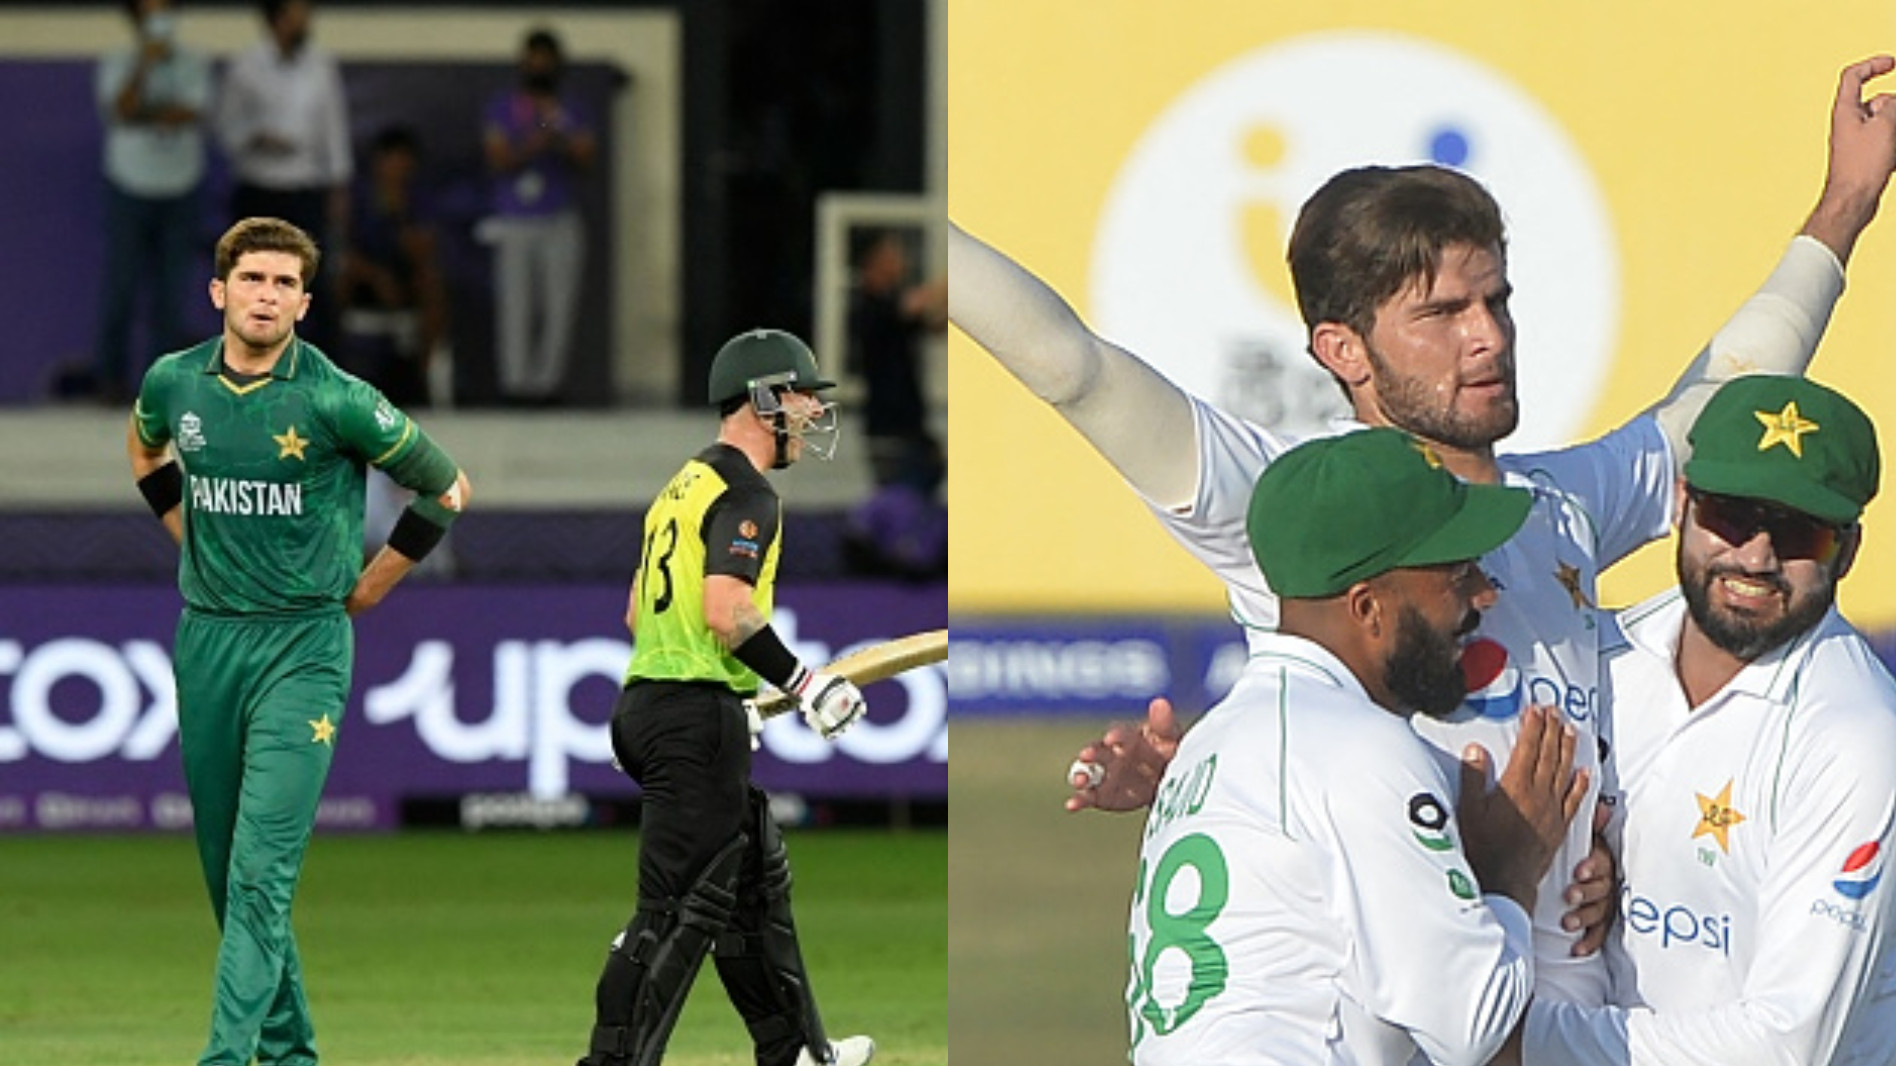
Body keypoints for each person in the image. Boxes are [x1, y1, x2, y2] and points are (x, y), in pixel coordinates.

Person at [951, 55, 1896, 1007]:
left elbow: (1711, 410)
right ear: (1341, 351)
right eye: (1442, 313)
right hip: (1407, 1018)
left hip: (1569, 1023)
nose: (1487, 336)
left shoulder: (1558, 503)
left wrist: (1845, 205)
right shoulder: (1292, 506)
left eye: (1496, 300)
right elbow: (1073, 368)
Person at [125, 216, 471, 1066]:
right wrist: (189, 537)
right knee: (225, 878)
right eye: (253, 280)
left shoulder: (337, 398)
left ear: (305, 304)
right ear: (219, 292)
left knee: (259, 878)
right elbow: (143, 450)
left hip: (302, 650)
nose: (266, 296)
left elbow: (448, 490)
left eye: (284, 284)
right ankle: (291, 1057)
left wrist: (366, 589)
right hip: (206, 641)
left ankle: (226, 1058)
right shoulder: (175, 383)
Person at [1131, 427, 1588, 1064]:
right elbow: (1474, 1025)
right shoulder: (1361, 747)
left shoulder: (1216, 736)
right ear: (1368, 607)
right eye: (1456, 573)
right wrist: (1512, 869)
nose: (1485, 594)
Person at [1517, 376, 1896, 1065]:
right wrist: (1583, 864)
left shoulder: (1858, 737)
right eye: (1731, 515)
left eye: (1798, 530)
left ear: (1849, 549)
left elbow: (1787, 1045)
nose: (1755, 556)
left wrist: (1518, 1042)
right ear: (1683, 503)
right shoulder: (1596, 655)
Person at [577, 329, 873, 1066]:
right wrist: (806, 687)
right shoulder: (747, 493)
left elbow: (636, 611)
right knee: (676, 913)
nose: (811, 412)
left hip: (662, 706)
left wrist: (720, 701)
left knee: (753, 885)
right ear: (766, 399)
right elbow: (727, 611)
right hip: (690, 716)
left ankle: (796, 1052)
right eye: (803, 397)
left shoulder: (682, 486)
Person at [214, 0, 351, 353]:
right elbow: (226, 128)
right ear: (277, 19)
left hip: (305, 189)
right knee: (250, 284)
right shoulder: (246, 66)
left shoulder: (321, 66)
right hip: (258, 188)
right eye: (297, 14)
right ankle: (245, 368)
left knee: (313, 285)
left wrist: (338, 185)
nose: (305, 21)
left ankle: (321, 377)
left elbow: (333, 129)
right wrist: (256, 137)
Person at [93, 0, 212, 405]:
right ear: (136, 19)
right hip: (130, 184)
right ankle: (109, 382)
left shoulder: (192, 62)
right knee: (121, 287)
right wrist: (144, 64)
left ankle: (162, 391)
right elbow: (123, 108)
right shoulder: (117, 61)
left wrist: (150, 112)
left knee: (170, 295)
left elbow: (192, 111)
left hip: (180, 186)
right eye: (150, 11)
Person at [480, 26, 596, 406]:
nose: (540, 69)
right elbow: (498, 156)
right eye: (534, 62)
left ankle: (548, 387)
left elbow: (585, 154)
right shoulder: (504, 106)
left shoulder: (570, 107)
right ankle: (516, 386)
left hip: (559, 216)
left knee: (558, 306)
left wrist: (556, 126)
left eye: (547, 63)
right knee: (516, 305)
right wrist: (537, 138)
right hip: (515, 217)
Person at [337, 124, 446, 411]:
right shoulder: (357, 198)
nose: (397, 167)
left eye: (404, 160)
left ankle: (422, 374)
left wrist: (399, 216)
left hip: (404, 277)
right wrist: (377, 277)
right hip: (367, 275)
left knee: (431, 283)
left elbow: (423, 251)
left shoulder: (417, 199)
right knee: (338, 277)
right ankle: (335, 369)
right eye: (391, 159)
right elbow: (344, 249)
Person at [848, 227, 946, 494]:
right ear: (875, 261)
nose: (902, 262)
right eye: (894, 255)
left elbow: (933, 324)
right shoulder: (869, 305)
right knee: (903, 498)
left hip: (909, 424)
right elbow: (914, 304)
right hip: (889, 426)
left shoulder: (889, 307)